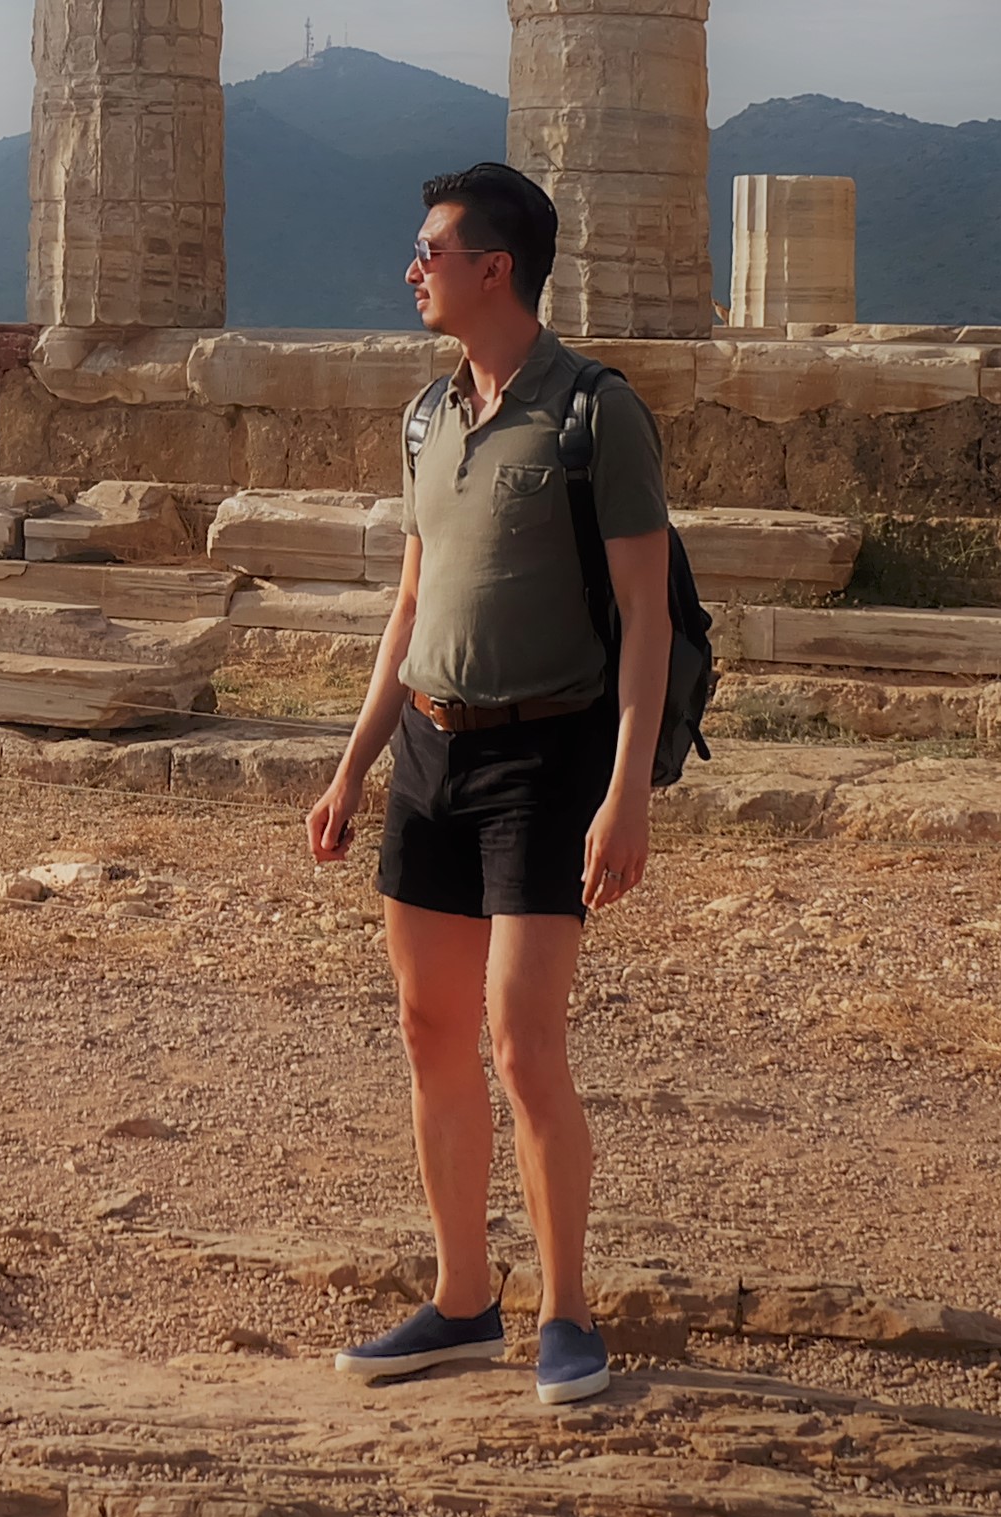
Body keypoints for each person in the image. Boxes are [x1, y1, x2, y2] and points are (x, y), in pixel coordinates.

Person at [306, 162, 673, 1407]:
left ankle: (566, 1311)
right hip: (427, 745)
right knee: (428, 1034)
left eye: (430, 251)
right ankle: (463, 1300)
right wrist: (350, 765)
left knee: (522, 1044)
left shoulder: (593, 412)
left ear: (492, 269)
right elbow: (408, 604)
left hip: (545, 754)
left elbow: (643, 618)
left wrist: (627, 795)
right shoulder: (424, 415)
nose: (412, 270)